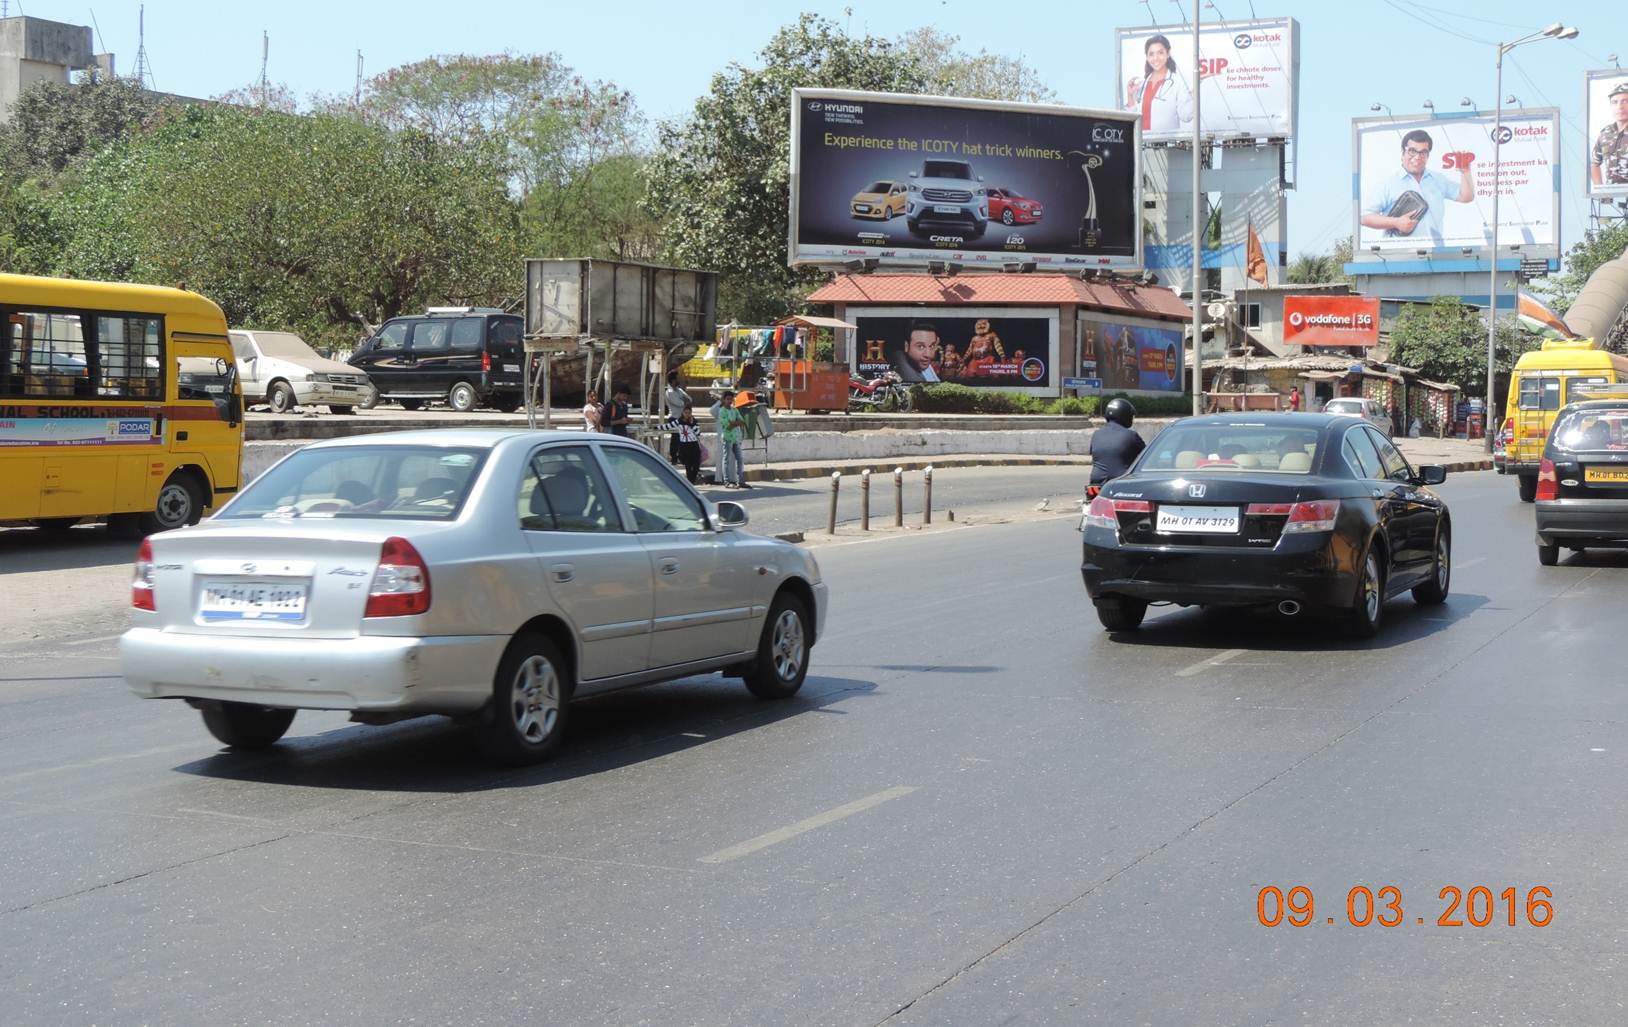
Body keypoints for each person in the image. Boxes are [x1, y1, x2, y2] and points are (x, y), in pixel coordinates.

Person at [1360, 129, 1473, 244]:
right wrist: (1396, 222)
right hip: (1399, 254)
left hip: (1435, 253)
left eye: (1423, 152)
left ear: (1428, 155)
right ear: (1403, 153)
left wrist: (1466, 173)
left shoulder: (1438, 179)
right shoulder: (1388, 184)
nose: (1417, 157)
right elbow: (1364, 217)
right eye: (1412, 151)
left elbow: (1465, 197)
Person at [1124, 33, 1194, 133]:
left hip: (1168, 144)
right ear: (1147, 57)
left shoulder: (1177, 83)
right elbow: (1131, 119)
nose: (1155, 58)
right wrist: (1130, 96)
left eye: (1160, 53)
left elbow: (1186, 116)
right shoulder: (1141, 85)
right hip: (1141, 144)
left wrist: (1193, 94)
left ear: (1168, 53)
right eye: (1151, 54)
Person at [1088, 397, 1146, 497]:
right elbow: (1146, 457)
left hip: (1095, 485)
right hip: (1121, 484)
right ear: (1125, 416)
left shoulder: (1096, 434)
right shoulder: (1131, 436)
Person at [1593, 82, 1628, 188]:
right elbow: (1595, 163)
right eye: (1615, 102)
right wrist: (1601, 190)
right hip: (1613, 196)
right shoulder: (1605, 134)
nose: (1620, 106)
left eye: (1625, 101)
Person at [717, 392, 751, 489]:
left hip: (736, 437)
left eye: (731, 399)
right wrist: (736, 423)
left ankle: (740, 481)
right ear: (723, 400)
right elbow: (728, 426)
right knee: (726, 459)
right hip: (727, 438)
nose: (729, 401)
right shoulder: (722, 411)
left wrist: (734, 423)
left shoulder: (735, 410)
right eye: (727, 399)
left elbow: (742, 422)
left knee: (740, 459)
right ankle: (727, 482)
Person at [664, 370, 689, 464]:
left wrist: (684, 400)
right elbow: (680, 403)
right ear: (673, 380)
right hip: (674, 417)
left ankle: (682, 458)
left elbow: (689, 399)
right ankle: (674, 458)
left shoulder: (679, 390)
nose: (679, 380)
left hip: (682, 417)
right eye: (677, 378)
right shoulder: (669, 392)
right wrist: (684, 401)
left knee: (683, 438)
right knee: (675, 439)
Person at [676, 402, 702, 484]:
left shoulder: (694, 421)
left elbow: (698, 432)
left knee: (696, 465)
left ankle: (692, 480)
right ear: (682, 413)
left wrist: (692, 424)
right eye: (685, 413)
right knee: (688, 465)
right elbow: (667, 426)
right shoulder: (679, 421)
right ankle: (690, 482)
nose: (687, 414)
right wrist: (655, 427)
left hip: (694, 445)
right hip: (684, 446)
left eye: (689, 413)